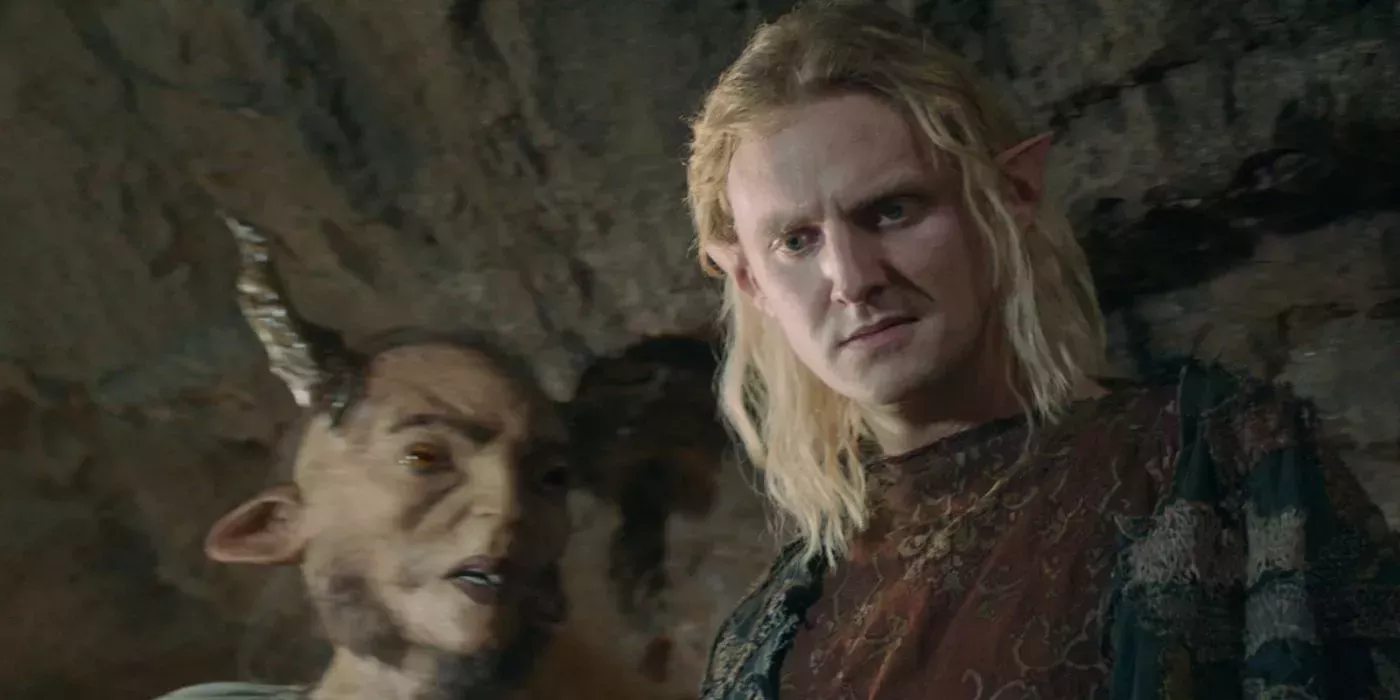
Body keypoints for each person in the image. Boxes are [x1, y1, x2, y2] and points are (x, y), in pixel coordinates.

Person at [684, 2, 1400, 698]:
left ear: (1011, 194)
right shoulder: (768, 634)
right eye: (796, 241)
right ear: (750, 280)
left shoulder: (1219, 463)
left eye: (892, 210)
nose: (851, 279)